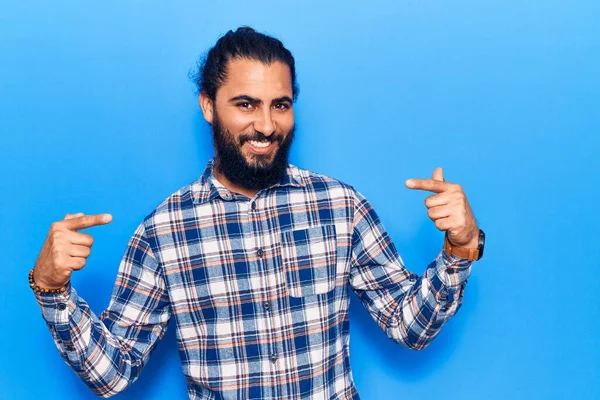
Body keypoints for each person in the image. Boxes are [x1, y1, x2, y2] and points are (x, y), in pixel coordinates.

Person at [30, 27, 485, 400]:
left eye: (280, 105)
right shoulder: (164, 231)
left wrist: (460, 248)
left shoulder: (341, 207)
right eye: (245, 104)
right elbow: (112, 374)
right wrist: (51, 289)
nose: (266, 125)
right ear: (209, 106)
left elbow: (410, 327)